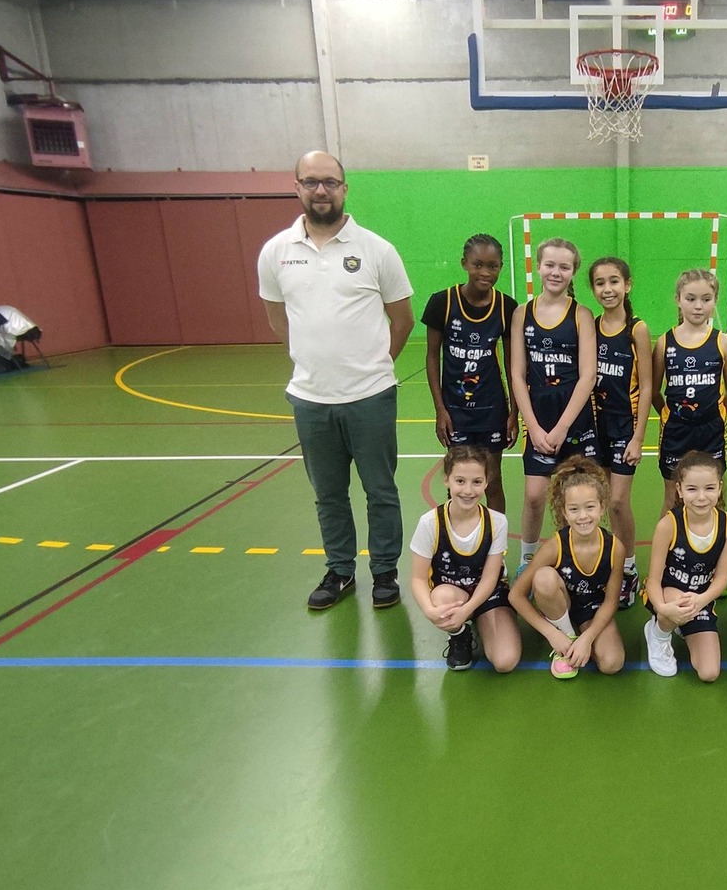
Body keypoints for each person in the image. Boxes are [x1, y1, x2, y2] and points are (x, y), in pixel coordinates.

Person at [257, 150, 415, 612]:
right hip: (310, 400)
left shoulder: (377, 250)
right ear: (297, 188)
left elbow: (402, 319)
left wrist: (373, 366)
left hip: (370, 397)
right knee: (328, 495)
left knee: (380, 491)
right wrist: (312, 362)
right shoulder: (275, 252)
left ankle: (384, 572)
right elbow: (277, 318)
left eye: (330, 181)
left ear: (345, 188)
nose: (321, 190)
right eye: (311, 182)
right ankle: (340, 570)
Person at [507, 238, 599, 573]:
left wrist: (562, 427)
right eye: (550, 265)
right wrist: (533, 426)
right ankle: (527, 558)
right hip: (539, 416)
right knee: (534, 496)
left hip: (573, 418)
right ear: (538, 266)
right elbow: (517, 375)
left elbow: (588, 376)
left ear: (573, 272)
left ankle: (575, 556)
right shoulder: (522, 314)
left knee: (578, 496)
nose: (556, 272)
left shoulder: (581, 315)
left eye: (564, 266)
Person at [421, 234, 519, 513]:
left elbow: (513, 365)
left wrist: (514, 413)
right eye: (478, 265)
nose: (485, 272)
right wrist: (440, 410)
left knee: (492, 481)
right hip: (456, 411)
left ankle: (494, 539)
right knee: (459, 482)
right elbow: (432, 357)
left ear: (501, 267)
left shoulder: (506, 307)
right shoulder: (442, 302)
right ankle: (458, 536)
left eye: (493, 266)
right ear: (464, 263)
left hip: (492, 410)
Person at [508, 455, 625, 679]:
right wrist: (552, 634)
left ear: (602, 507)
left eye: (590, 507)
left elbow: (611, 601)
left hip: (592, 609)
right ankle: (565, 634)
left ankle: (578, 639)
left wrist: (588, 638)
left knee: (612, 663)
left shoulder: (614, 548)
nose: (583, 516)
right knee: (543, 577)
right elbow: (516, 596)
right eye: (574, 509)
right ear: (563, 512)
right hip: (560, 603)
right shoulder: (555, 546)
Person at [409, 445, 520, 673]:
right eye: (460, 481)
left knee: (505, 661)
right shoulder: (430, 523)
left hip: (487, 594)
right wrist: (429, 611)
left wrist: (468, 608)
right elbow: (418, 579)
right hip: (452, 595)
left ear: (486, 482)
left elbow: (490, 578)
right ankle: (459, 634)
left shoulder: (496, 522)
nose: (468, 490)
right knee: (440, 597)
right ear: (446, 480)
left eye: (477, 482)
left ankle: (481, 620)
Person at [641, 451, 727, 682]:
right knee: (676, 605)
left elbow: (721, 578)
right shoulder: (668, 524)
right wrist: (662, 609)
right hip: (668, 594)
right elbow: (653, 580)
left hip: (699, 599)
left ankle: (681, 624)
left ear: (719, 488)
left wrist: (702, 600)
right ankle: (659, 633)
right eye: (692, 489)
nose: (701, 497)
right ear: (679, 490)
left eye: (709, 488)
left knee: (709, 673)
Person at [588, 256, 652, 608]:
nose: (607, 289)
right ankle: (606, 563)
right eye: (600, 283)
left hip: (625, 426)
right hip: (596, 425)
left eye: (614, 281)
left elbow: (647, 384)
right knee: (600, 501)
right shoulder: (591, 326)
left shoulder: (637, 329)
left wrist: (638, 437)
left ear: (627, 285)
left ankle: (628, 567)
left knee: (617, 501)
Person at [653, 268, 727, 513]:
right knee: (672, 495)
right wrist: (672, 414)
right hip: (675, 430)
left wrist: (715, 413)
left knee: (712, 493)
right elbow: (655, 392)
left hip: (711, 430)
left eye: (706, 299)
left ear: (715, 301)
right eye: (690, 299)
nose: (698, 306)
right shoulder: (665, 342)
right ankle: (670, 538)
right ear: (678, 300)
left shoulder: (723, 342)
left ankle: (712, 538)